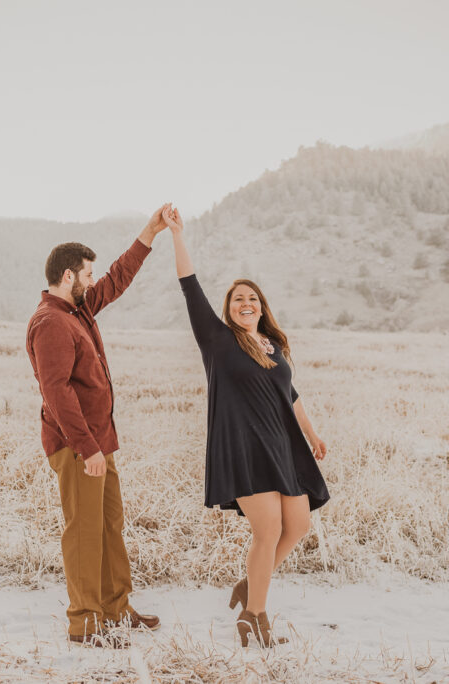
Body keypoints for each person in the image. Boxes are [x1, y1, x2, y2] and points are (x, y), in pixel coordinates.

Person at [163, 206, 330, 648]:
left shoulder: (274, 345)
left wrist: (312, 434)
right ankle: (254, 615)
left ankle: (248, 588)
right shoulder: (218, 340)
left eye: (252, 298)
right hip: (241, 447)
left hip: (282, 446)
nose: (246, 303)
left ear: (262, 307)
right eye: (238, 299)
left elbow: (289, 395)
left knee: (298, 526)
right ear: (228, 309)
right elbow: (190, 286)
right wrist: (177, 235)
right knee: (268, 531)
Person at [25, 205, 171, 648]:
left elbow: (117, 278)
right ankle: (85, 623)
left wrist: (150, 231)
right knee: (85, 532)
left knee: (109, 525)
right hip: (77, 447)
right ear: (68, 277)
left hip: (97, 444)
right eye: (87, 274)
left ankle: (115, 609)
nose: (94, 281)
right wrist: (87, 449)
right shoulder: (51, 322)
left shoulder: (77, 312)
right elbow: (58, 392)